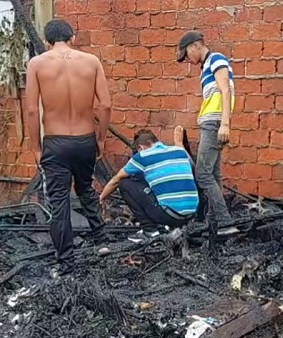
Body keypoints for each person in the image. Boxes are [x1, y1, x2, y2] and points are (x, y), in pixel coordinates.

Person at [25, 19, 111, 278]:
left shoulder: (37, 64)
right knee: (85, 187)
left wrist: (36, 147)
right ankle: (101, 239)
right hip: (85, 139)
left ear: (47, 40)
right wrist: (102, 139)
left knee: (59, 201)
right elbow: (105, 105)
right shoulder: (91, 62)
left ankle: (66, 263)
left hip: (55, 142)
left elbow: (31, 110)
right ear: (72, 37)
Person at [176, 31, 238, 235]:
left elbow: (225, 90)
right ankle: (215, 222)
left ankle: (225, 222)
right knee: (213, 173)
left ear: (195, 46)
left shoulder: (216, 59)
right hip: (212, 122)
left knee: (202, 174)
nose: (188, 60)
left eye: (187, 55)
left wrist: (225, 124)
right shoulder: (206, 67)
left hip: (215, 122)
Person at [99, 128, 199, 243]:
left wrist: (101, 198)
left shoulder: (142, 157)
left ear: (141, 148)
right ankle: (173, 227)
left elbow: (115, 180)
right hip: (191, 214)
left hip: (170, 215)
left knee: (124, 183)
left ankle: (150, 231)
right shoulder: (179, 151)